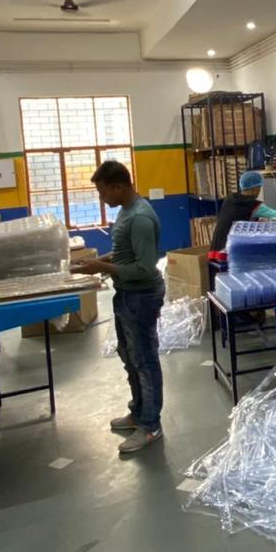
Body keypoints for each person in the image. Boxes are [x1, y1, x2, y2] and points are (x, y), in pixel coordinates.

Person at [72, 160, 165, 455]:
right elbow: (126, 253)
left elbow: (145, 267)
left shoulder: (140, 218)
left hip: (141, 296)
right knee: (130, 356)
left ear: (119, 186)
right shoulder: (126, 211)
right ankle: (139, 413)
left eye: (103, 192)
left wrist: (102, 267)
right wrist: (97, 262)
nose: (102, 199)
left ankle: (150, 426)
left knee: (145, 360)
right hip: (127, 294)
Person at [209, 170, 276, 262]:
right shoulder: (253, 205)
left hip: (214, 252)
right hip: (228, 255)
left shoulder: (229, 199)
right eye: (259, 188)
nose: (259, 191)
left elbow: (235, 218)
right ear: (255, 189)